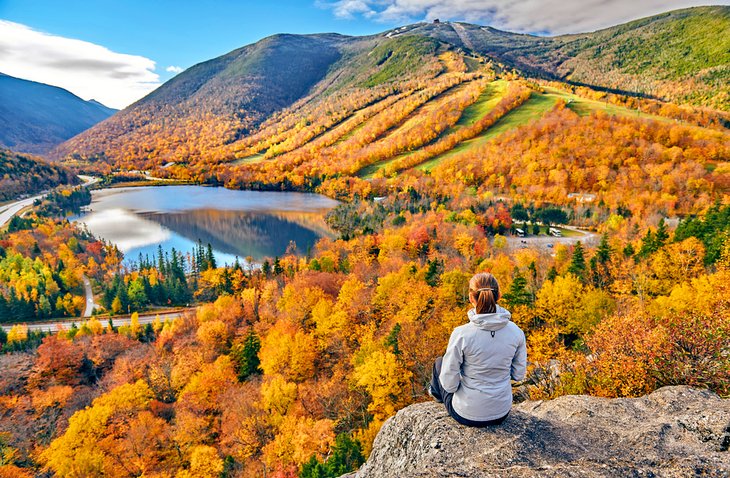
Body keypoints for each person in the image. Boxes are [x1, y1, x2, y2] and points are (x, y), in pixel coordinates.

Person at [429, 272, 526, 427]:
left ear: (470, 298)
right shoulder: (516, 332)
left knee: (439, 363)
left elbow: (449, 384)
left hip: (467, 414)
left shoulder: (462, 334)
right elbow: (518, 374)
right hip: (502, 412)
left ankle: (436, 397)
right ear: (499, 295)